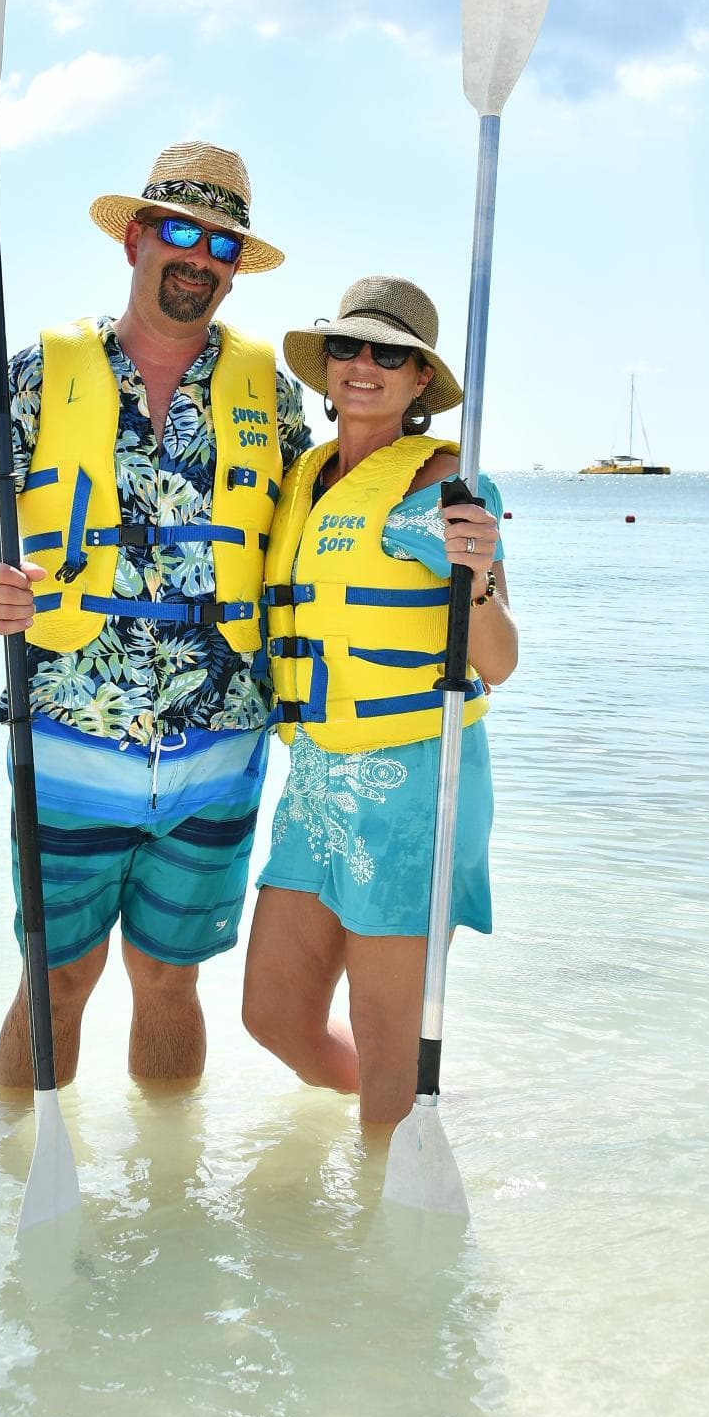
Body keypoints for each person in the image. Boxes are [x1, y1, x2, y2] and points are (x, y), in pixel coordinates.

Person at [0, 142, 310, 1090]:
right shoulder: (39, 375)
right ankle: (14, 1182)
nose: (199, 257)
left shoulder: (275, 397)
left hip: (219, 743)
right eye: (179, 230)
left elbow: (328, 524)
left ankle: (167, 1201)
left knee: (171, 981)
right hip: (67, 729)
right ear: (134, 239)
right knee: (55, 978)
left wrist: (449, 516)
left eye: (222, 245)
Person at [241, 275, 517, 1127]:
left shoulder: (449, 487)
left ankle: (389, 1227)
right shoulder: (301, 479)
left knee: (389, 1028)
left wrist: (475, 579)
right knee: (273, 1015)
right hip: (320, 778)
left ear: (418, 382)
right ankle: (406, 1116)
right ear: (325, 368)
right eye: (348, 347)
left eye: (390, 353)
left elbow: (501, 660)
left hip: (415, 784)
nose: (365, 365)